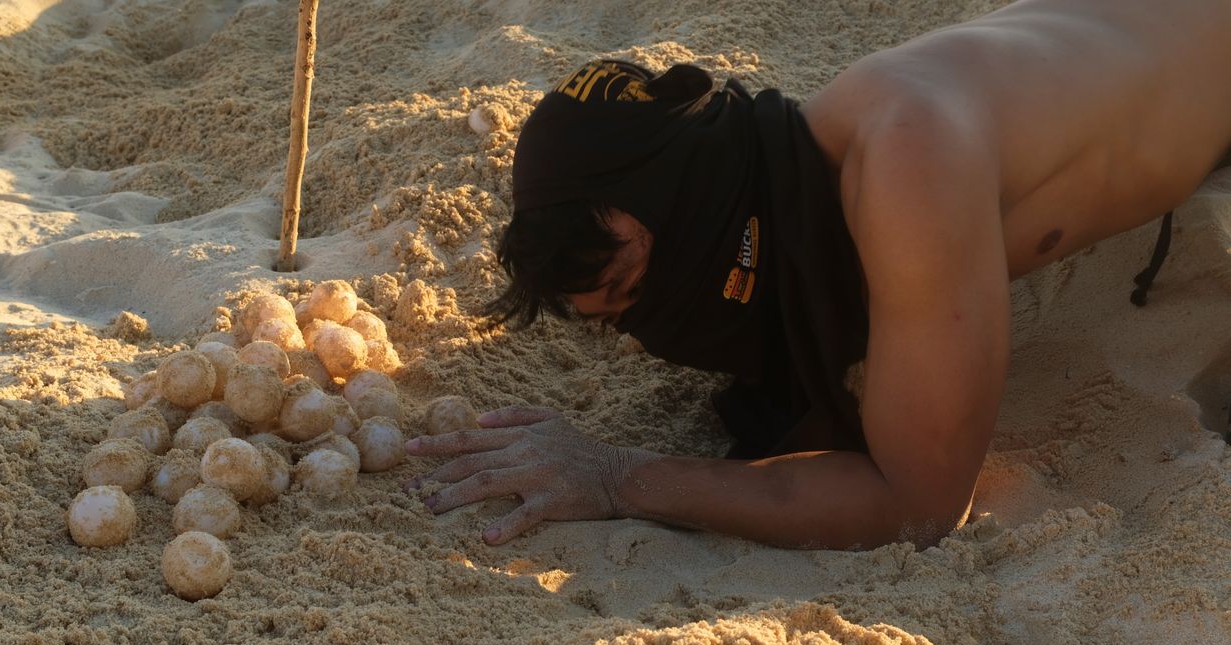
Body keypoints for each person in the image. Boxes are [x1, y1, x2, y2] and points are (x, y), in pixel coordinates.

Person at [404, 0, 1231, 549]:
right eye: (613, 316)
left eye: (632, 284)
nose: (648, 331)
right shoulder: (804, 161)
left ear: (691, 194)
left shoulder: (905, 157)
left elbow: (922, 505)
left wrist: (621, 476)